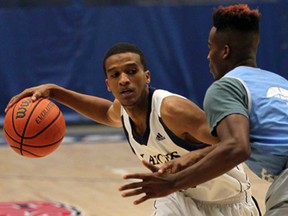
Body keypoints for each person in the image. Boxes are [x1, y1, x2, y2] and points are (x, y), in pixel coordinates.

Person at [5, 42, 259, 215]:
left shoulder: (172, 110)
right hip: (181, 199)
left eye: (131, 71)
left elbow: (234, 143)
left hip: (229, 203)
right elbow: (105, 112)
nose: (124, 79)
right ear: (108, 84)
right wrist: (55, 91)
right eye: (115, 75)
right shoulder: (123, 112)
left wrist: (192, 157)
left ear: (146, 76)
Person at [118, 4, 288, 216]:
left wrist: (173, 183)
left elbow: (237, 148)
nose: (208, 56)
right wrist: (193, 157)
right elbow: (239, 141)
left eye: (210, 48)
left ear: (224, 52)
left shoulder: (226, 86)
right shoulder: (278, 82)